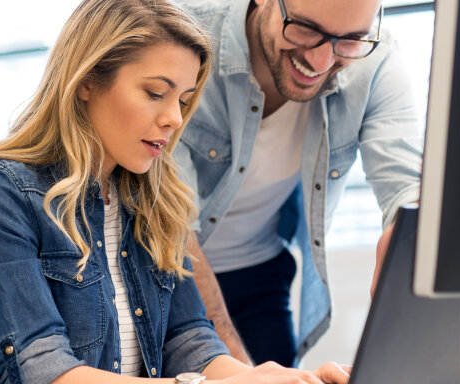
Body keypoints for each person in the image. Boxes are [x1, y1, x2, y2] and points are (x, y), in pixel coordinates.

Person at [0, 0, 351, 383]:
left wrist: (275, 379)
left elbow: (190, 342)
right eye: (155, 93)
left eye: (183, 100)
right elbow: (45, 370)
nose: (174, 119)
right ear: (86, 80)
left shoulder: (154, 200)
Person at [172, 0, 423, 367]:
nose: (321, 63)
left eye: (350, 40)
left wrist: (409, 238)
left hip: (261, 273)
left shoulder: (376, 59)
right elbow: (174, 230)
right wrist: (241, 369)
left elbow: (407, 185)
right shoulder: (182, 40)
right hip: (167, 269)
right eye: (305, 29)